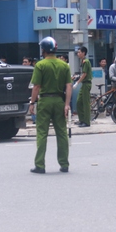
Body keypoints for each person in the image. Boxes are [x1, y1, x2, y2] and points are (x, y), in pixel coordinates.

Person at [28, 37, 72, 174]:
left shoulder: (40, 65)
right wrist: (67, 104)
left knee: (42, 133)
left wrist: (32, 102)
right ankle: (64, 164)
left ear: (44, 50)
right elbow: (69, 86)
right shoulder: (64, 65)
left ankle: (40, 165)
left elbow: (36, 87)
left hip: (45, 101)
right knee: (62, 133)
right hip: (59, 101)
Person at [74, 46, 91, 127]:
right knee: (79, 102)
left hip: (86, 84)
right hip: (83, 84)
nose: (78, 54)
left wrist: (77, 82)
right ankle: (82, 120)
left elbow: (84, 74)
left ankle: (87, 122)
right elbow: (82, 74)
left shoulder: (86, 62)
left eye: (79, 52)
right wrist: (76, 77)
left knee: (85, 103)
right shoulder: (83, 62)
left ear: (83, 53)